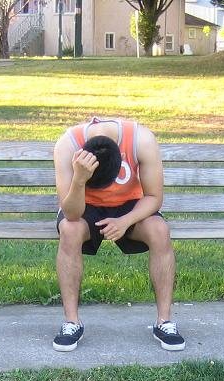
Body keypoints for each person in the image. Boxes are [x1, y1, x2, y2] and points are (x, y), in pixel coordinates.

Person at [52, 116, 186, 353]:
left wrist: (125, 221)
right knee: (70, 229)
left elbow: (154, 198)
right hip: (84, 206)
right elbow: (72, 214)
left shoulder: (141, 140)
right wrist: (80, 179)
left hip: (130, 206)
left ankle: (165, 322)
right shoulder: (67, 145)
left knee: (159, 229)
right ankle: (71, 323)